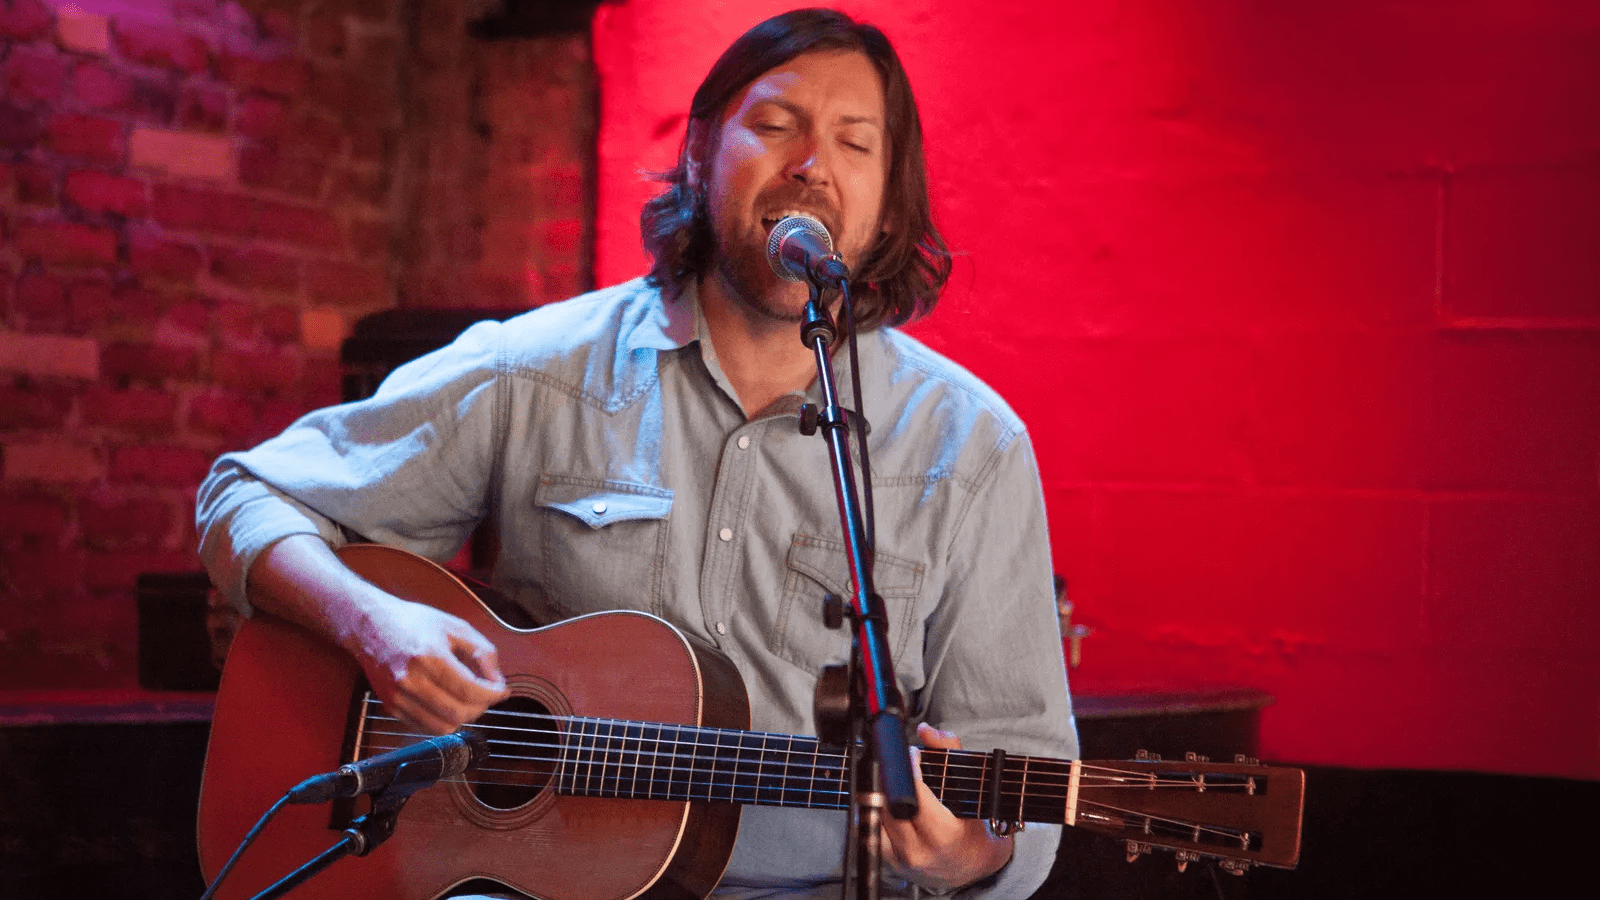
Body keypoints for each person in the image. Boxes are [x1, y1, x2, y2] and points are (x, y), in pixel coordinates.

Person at [196, 8, 1075, 898]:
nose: (811, 165)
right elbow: (246, 496)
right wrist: (374, 627)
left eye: (855, 143)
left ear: (888, 208)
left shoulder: (971, 447)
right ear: (700, 150)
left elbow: (1023, 779)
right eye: (775, 126)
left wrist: (968, 855)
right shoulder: (533, 371)